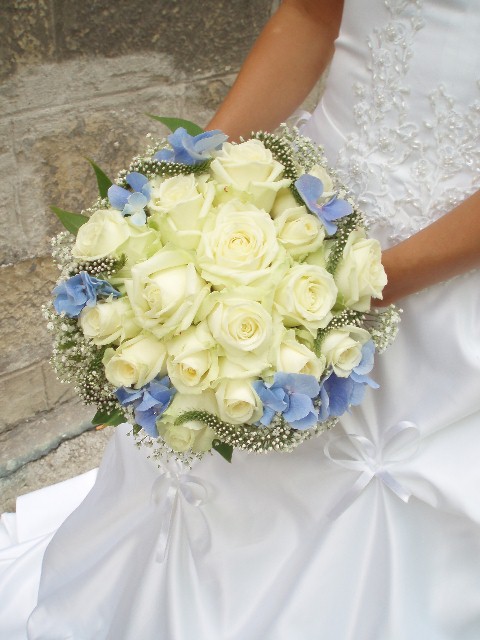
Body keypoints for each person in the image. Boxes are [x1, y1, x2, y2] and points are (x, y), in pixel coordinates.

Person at [1, 1, 480, 638]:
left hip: (449, 274)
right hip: (301, 201)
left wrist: (362, 287)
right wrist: (192, 179)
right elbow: (310, 15)